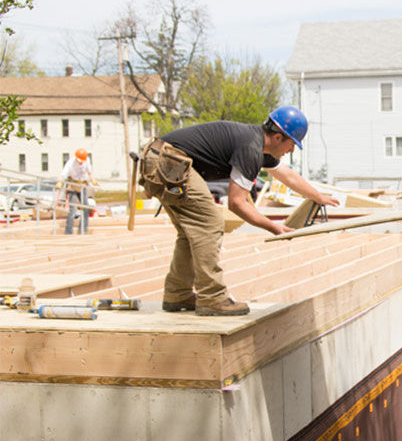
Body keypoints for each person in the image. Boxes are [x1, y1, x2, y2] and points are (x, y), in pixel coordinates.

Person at [140, 106, 340, 317]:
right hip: (168, 160)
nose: (291, 151)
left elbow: (287, 176)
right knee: (210, 224)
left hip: (163, 157)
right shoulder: (250, 148)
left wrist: (318, 196)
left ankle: (177, 294)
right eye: (292, 145)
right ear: (279, 137)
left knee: (191, 231)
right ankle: (212, 298)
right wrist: (272, 226)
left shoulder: (258, 144)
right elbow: (236, 203)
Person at [61, 148, 98, 235]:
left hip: (81, 185)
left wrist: (93, 180)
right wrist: (59, 182)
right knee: (73, 209)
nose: (81, 162)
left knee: (86, 208)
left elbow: (89, 173)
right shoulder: (71, 163)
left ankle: (83, 230)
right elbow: (63, 174)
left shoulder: (86, 161)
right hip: (72, 185)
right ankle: (68, 232)